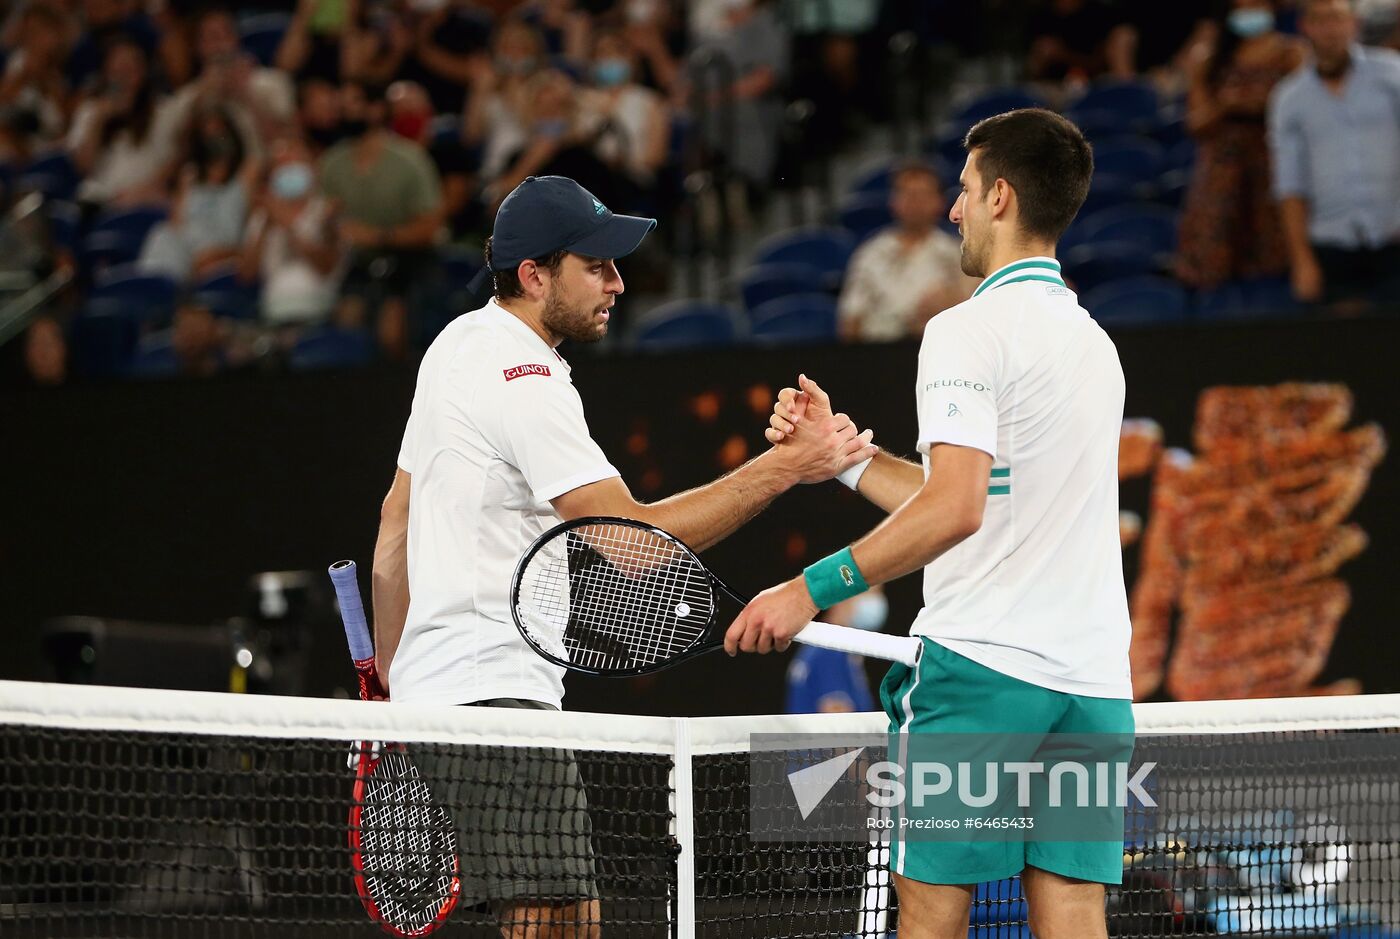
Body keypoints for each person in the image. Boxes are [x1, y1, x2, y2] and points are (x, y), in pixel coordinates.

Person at [370, 174, 875, 937]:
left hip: (450, 690)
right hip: (494, 695)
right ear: (536, 276)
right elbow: (628, 544)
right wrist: (784, 468)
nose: (618, 281)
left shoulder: (454, 346)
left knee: (573, 918)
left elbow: (391, 536)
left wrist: (392, 681)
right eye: (596, 266)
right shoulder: (526, 375)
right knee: (551, 920)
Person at [730, 109, 1133, 939]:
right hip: (1091, 687)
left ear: (1000, 197)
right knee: (1074, 911)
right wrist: (844, 458)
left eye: (962, 190)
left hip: (982, 676)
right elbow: (985, 496)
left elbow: (956, 508)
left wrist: (811, 588)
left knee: (929, 915)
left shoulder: (963, 329)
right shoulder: (1096, 346)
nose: (952, 210)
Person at [1269, 0, 1400, 311]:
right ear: (1305, 27)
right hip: (1333, 244)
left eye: (1337, 19)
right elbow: (1289, 185)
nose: (1330, 29)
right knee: (1348, 349)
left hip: (1393, 236)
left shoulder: (1392, 74)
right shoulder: (1289, 98)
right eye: (1320, 20)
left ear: (1354, 23)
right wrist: (1302, 260)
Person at [1175, 0, 1305, 290]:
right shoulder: (1210, 59)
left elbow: (1305, 114)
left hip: (1272, 169)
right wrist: (1227, 104)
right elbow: (1196, 123)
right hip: (1222, 175)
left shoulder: (1292, 53)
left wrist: (1262, 104)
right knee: (1216, 261)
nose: (1250, 8)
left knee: (1273, 260)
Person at [319, 81, 443, 359]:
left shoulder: (410, 159)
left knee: (392, 329)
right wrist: (328, 223)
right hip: (358, 262)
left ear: (375, 110)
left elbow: (430, 227)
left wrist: (376, 237)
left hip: (409, 260)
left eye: (351, 103)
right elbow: (329, 229)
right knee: (345, 322)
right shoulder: (332, 163)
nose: (342, 110)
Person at [837, 161, 977, 342]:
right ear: (893, 201)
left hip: (936, 348)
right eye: (907, 194)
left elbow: (973, 313)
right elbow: (850, 319)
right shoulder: (870, 254)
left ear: (940, 202)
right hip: (877, 353)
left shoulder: (958, 254)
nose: (914, 202)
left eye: (922, 195)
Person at [784, 586, 884, 713]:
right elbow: (837, 724)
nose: (875, 600)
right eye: (868, 593)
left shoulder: (819, 644)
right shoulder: (830, 650)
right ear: (841, 597)